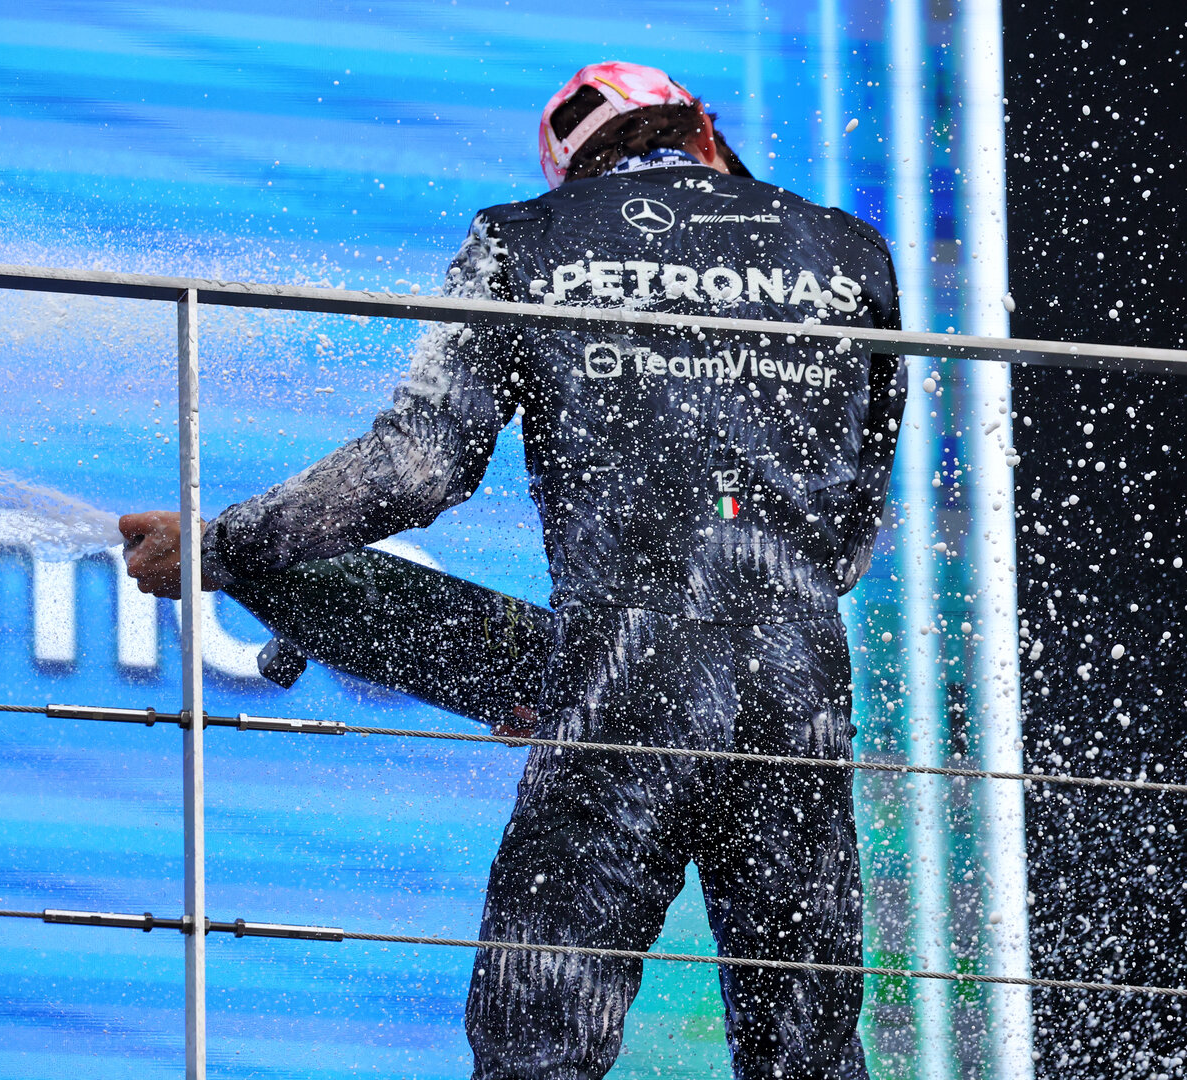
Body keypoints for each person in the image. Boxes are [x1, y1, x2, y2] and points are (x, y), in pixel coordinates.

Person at [121, 61, 903, 1080]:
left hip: (621, 685)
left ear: (572, 171)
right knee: (809, 1054)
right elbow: (847, 531)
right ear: (703, 136)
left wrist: (225, 546)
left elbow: (410, 471)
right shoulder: (850, 254)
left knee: (537, 1048)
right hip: (799, 693)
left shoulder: (526, 239)